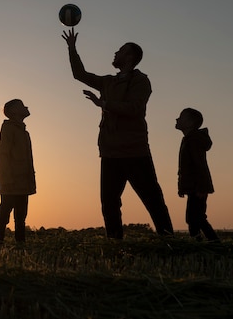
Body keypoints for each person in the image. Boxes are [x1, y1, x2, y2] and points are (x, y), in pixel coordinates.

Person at [62, 28, 173, 238]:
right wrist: (72, 49)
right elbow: (80, 75)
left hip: (135, 151)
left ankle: (169, 242)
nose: (115, 53)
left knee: (153, 200)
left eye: (120, 51)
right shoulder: (108, 82)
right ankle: (115, 246)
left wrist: (103, 103)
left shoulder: (141, 81)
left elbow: (134, 108)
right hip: (110, 152)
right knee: (109, 204)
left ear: (130, 57)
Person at [0, 99, 36, 246]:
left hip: (23, 182)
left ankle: (20, 244)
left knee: (21, 216)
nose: (27, 107)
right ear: (14, 111)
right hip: (11, 181)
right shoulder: (8, 129)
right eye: (22, 105)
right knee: (5, 213)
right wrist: (7, 179)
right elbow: (3, 154)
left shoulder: (24, 132)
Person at [175, 108, 219, 242]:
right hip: (194, 187)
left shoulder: (193, 140)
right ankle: (199, 241)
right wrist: (182, 187)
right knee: (193, 217)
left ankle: (212, 241)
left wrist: (201, 187)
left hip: (198, 187)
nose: (177, 119)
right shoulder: (189, 139)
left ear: (189, 123)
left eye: (180, 117)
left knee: (196, 217)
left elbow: (199, 165)